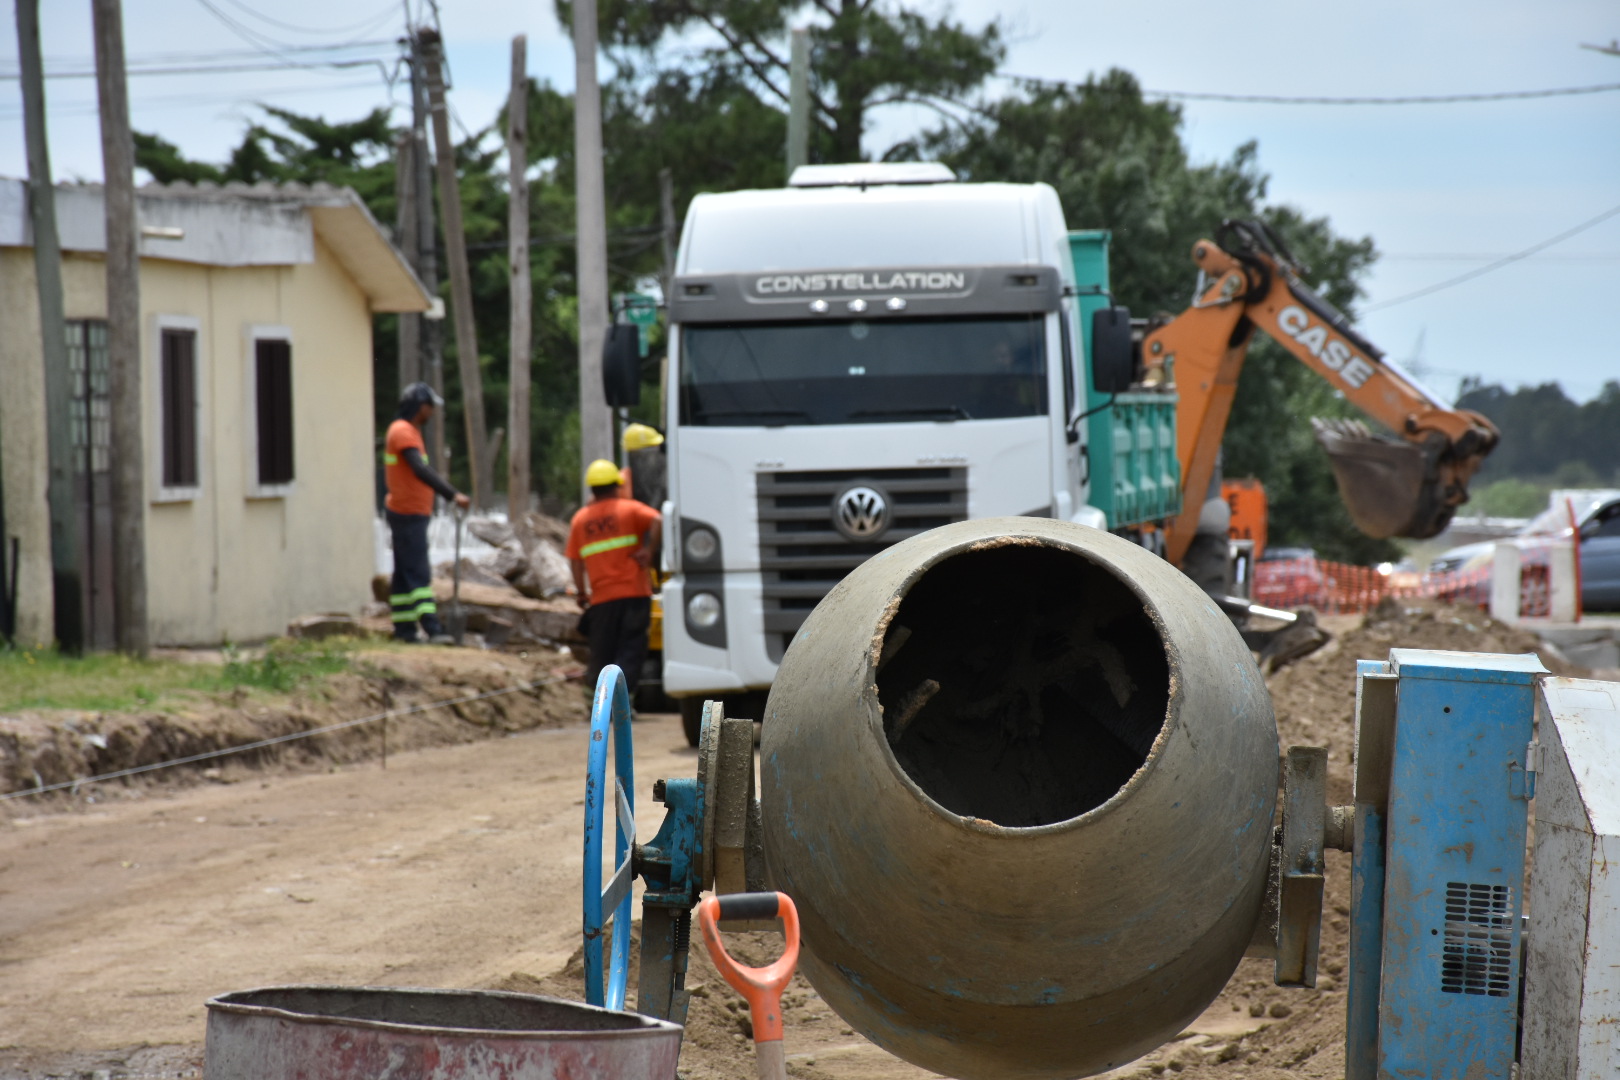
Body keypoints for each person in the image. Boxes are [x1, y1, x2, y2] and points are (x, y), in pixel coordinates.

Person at [384, 383, 470, 643]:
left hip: (408, 512)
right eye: (430, 407)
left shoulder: (406, 431)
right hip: (407, 513)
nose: (431, 413)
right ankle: (433, 629)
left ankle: (404, 629)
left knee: (402, 574)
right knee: (418, 573)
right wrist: (452, 494)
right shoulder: (403, 432)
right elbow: (420, 470)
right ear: (421, 406)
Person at [567, 459, 662, 693]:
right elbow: (658, 520)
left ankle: (599, 704)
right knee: (631, 649)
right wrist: (648, 552)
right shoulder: (629, 509)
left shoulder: (581, 519)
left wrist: (581, 592)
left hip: (602, 599)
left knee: (603, 652)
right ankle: (624, 703)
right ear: (616, 485)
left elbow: (575, 561)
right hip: (635, 594)